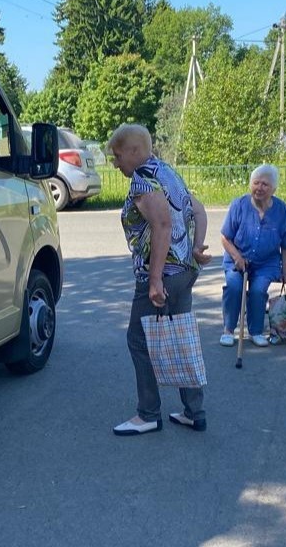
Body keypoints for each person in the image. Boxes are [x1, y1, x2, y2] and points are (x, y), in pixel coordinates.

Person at [107, 124, 212, 436]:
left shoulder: (142, 180)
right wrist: (196, 246)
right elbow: (199, 210)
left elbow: (163, 226)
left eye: (117, 155)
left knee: (139, 340)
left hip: (162, 275)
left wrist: (154, 280)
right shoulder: (166, 171)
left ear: (135, 152)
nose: (114, 162)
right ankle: (195, 411)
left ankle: (148, 413)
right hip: (184, 271)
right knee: (182, 337)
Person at [219, 164, 286, 347]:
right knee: (234, 287)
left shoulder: (282, 210)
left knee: (258, 291)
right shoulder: (239, 205)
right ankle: (228, 330)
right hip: (237, 258)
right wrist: (237, 257)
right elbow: (225, 237)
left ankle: (255, 331)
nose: (259, 188)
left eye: (265, 185)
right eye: (256, 183)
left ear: (274, 189)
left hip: (266, 262)